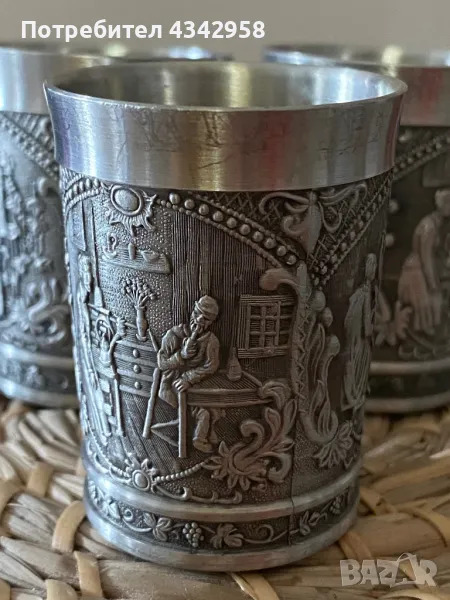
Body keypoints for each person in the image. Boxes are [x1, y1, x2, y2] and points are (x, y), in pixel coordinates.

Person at [157, 296, 220, 452]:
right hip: (170, 384)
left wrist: (188, 378)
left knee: (213, 406)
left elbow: (211, 366)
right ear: (192, 311)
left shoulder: (211, 340)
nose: (198, 320)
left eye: (205, 319)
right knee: (203, 412)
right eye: (197, 313)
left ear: (211, 322)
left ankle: (201, 435)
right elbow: (162, 363)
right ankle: (199, 434)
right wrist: (181, 356)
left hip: (195, 384)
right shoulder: (174, 334)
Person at [398, 188, 450, 336]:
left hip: (420, 267)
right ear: (442, 205)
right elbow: (425, 258)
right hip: (415, 270)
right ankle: (428, 334)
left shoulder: (436, 223)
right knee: (433, 297)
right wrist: (432, 283)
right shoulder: (430, 226)